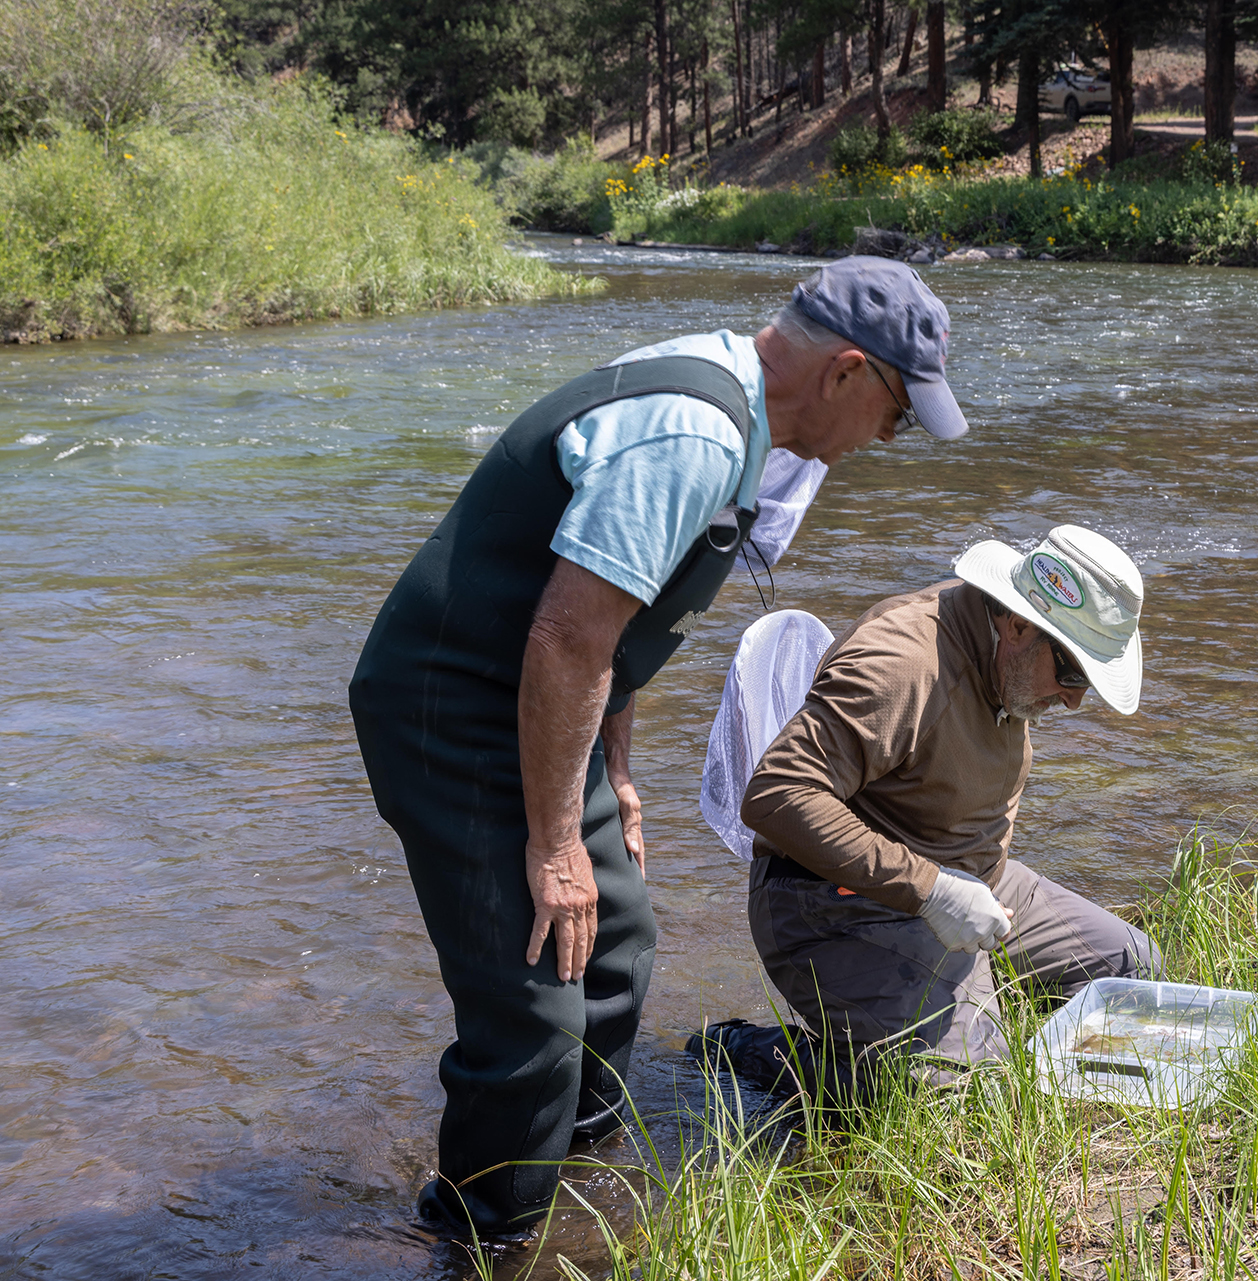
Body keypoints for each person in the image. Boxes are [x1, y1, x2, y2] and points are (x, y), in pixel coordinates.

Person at [346, 257, 970, 1235]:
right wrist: (557, 847)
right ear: (848, 372)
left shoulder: (745, 427)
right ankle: (486, 1236)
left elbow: (618, 627)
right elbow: (568, 637)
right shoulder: (696, 433)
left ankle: (575, 1186)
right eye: (896, 412)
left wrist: (619, 780)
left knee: (619, 943)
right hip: (451, 706)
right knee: (534, 1011)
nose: (890, 438)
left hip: (538, 704)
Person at [688, 525, 1162, 1099]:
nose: (1074, 699)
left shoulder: (1009, 664)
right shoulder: (904, 662)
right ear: (1017, 624)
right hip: (834, 901)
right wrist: (932, 890)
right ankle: (766, 1051)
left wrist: (954, 891)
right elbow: (776, 793)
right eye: (1071, 674)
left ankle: (954, 1020)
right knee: (962, 1098)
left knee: (1133, 972)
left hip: (968, 881)